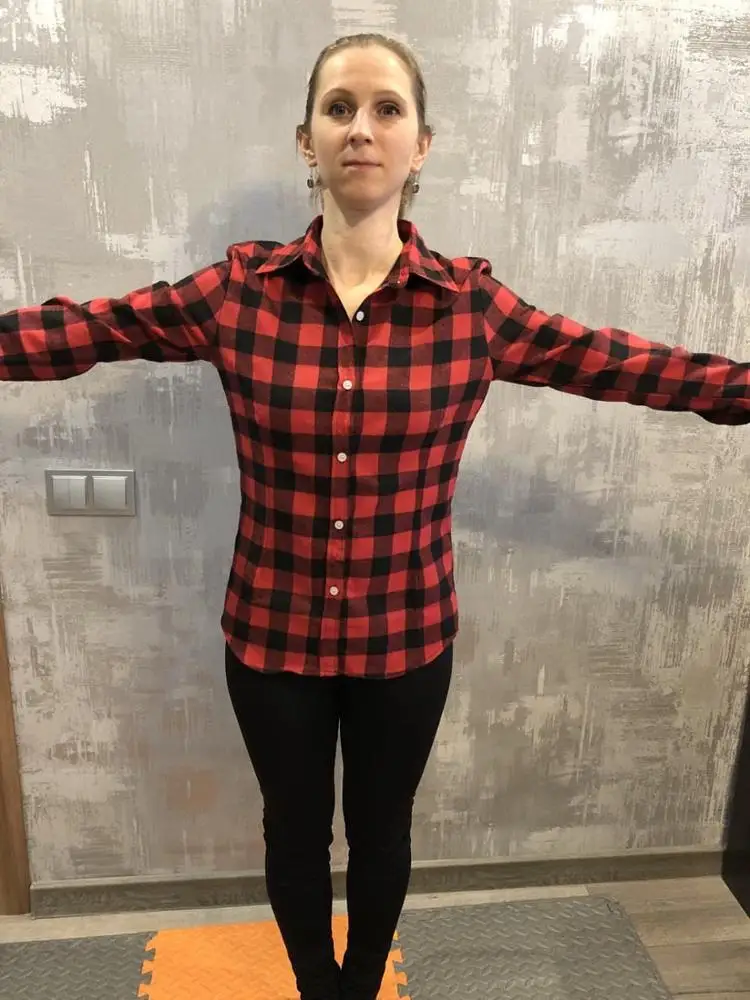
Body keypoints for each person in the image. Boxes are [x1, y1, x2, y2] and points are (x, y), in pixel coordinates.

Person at [1, 28, 749, 1000]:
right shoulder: (237, 295)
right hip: (271, 636)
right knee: (292, 831)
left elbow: (619, 363)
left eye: (387, 109)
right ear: (305, 141)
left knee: (383, 829)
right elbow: (88, 329)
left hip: (407, 638)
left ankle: (360, 987)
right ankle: (319, 988)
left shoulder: (471, 308)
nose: (362, 128)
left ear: (420, 144)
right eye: (339, 108)